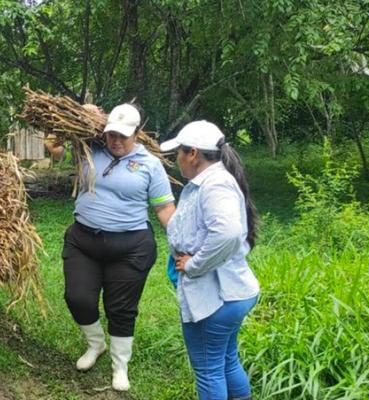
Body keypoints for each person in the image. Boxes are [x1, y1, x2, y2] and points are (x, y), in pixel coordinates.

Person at [61, 103, 176, 391]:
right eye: (112, 133)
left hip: (130, 247)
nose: (116, 140)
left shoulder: (150, 164)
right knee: (77, 298)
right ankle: (95, 343)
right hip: (83, 241)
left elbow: (164, 210)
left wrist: (181, 243)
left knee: (121, 308)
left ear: (137, 133)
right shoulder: (89, 148)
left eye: (124, 136)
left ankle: (120, 365)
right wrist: (79, 111)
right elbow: (54, 144)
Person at [160, 121, 260, 400]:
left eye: (179, 152)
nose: (177, 158)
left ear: (193, 153)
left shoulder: (214, 185)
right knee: (226, 361)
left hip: (216, 298)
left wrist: (194, 264)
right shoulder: (213, 180)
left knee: (208, 370)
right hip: (233, 293)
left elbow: (228, 233)